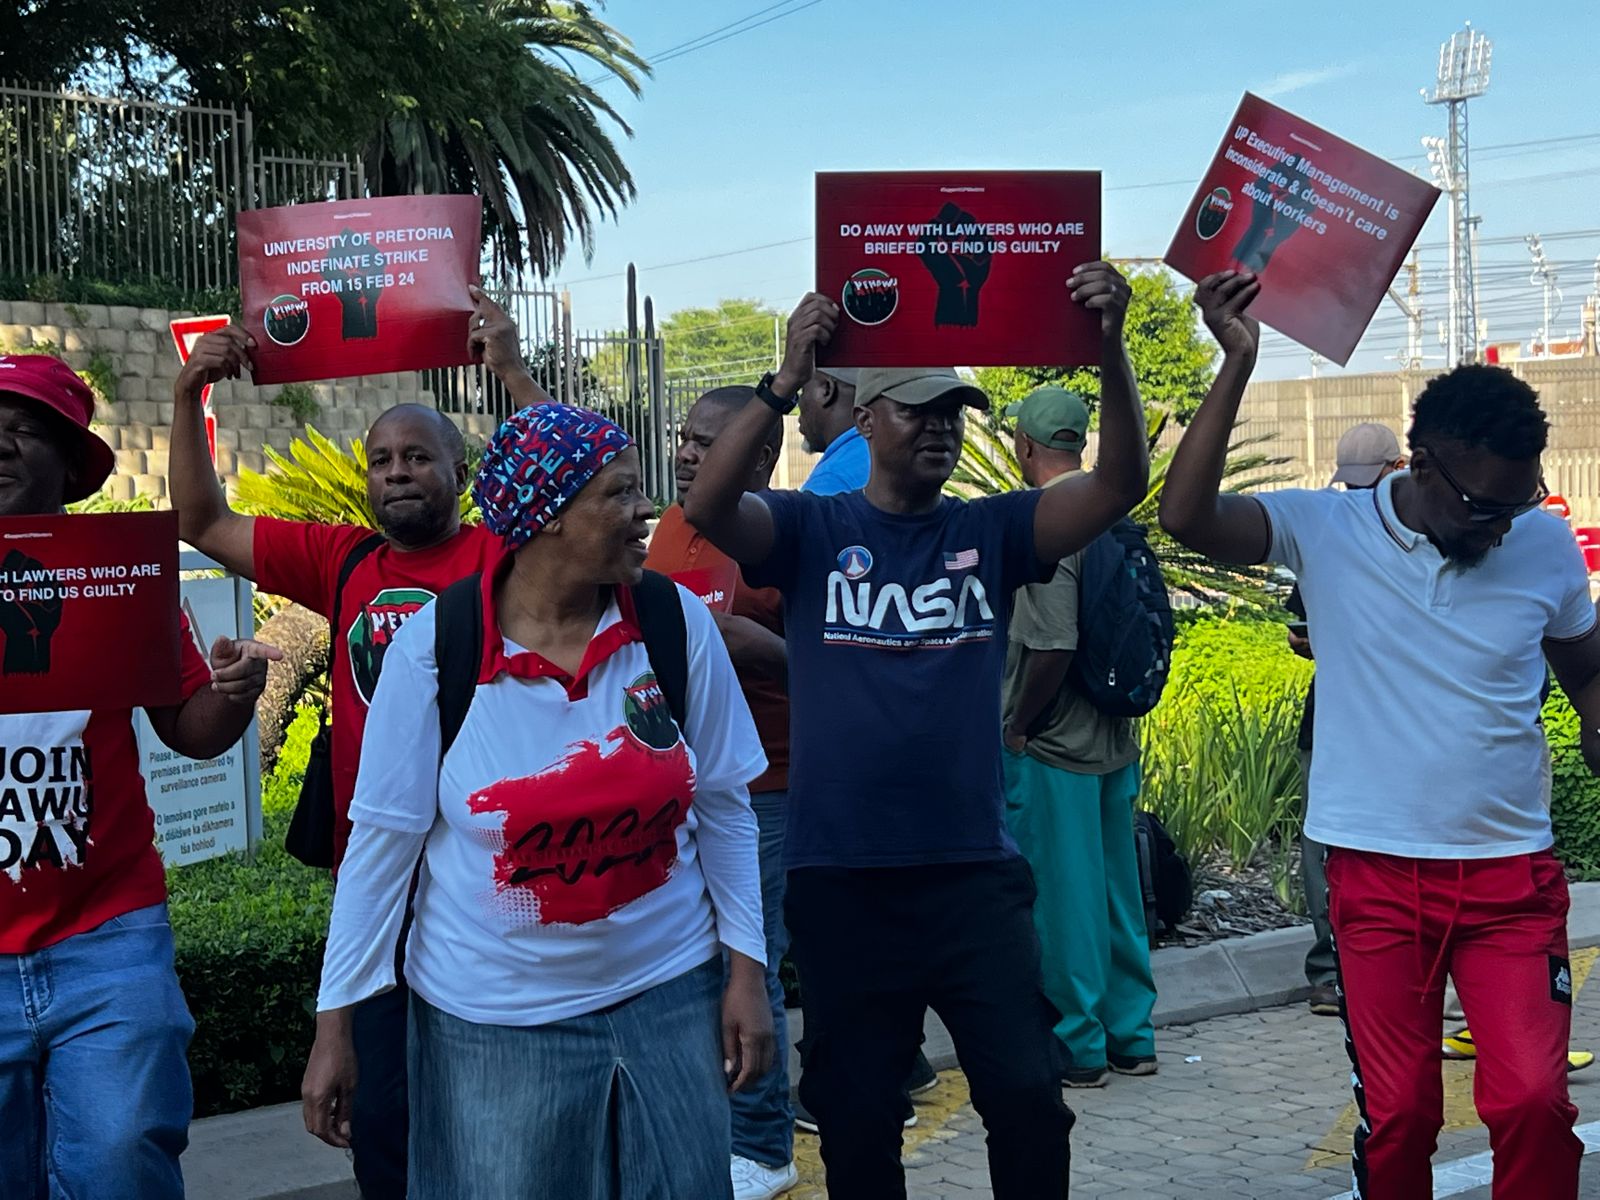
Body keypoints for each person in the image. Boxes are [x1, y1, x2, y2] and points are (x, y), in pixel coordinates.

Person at [683, 262, 1150, 1199]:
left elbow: (1120, 485)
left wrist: (1108, 348)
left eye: (954, 415)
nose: (941, 428)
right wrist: (782, 383)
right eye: (918, 412)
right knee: (857, 1121)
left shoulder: (995, 531)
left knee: (1026, 1096)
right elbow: (705, 508)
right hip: (844, 878)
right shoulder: (813, 528)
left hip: (971, 876)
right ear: (867, 421)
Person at [1159, 269, 1600, 1199]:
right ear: (1422, 462)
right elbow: (1186, 517)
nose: (1498, 529)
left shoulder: (1542, 544)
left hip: (1510, 881)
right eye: (1481, 507)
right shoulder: (1326, 528)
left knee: (1529, 1105)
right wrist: (1236, 360)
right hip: (1374, 876)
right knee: (1402, 1118)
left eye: (1517, 506)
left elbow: (1587, 668)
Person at [301, 402, 774, 1199]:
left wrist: (748, 975)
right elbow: (379, 855)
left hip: (670, 996)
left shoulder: (670, 623)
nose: (645, 512)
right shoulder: (435, 650)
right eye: (620, 494)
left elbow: (725, 810)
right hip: (493, 1025)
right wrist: (335, 1025)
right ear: (549, 517)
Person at [168, 288, 536, 1199]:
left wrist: (514, 373)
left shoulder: (506, 558)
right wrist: (187, 397)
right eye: (380, 461)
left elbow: (572, 494)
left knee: (501, 1107)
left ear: (462, 469)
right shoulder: (344, 562)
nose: (397, 473)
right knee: (386, 1120)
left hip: (493, 878)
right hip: (380, 881)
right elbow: (203, 524)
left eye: (419, 457)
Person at [0, 353, 275, 1200]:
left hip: (108, 936)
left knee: (121, 1164)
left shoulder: (118, 575)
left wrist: (232, 695)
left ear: (69, 466)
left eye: (25, 430)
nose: (2, 445)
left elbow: (191, 732)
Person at [644, 386, 797, 1200]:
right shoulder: (666, 530)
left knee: (751, 954)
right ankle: (720, 1118)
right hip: (677, 785)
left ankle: (765, 1146)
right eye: (685, 438)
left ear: (759, 457)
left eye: (708, 442)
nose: (687, 454)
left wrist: (752, 645)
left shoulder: (781, 536)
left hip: (767, 784)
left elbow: (836, 666)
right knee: (701, 958)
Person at [1000, 384, 1158, 1089]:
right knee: (1119, 893)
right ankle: (1134, 1034)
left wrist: (1018, 722)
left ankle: (1081, 1045)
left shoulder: (1048, 518)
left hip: (1055, 745)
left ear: (1027, 445)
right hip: (1114, 735)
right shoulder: (1111, 512)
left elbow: (1052, 644)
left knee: (1065, 900)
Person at [1284, 422, 1406, 1017]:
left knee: (1323, 843)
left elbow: (1299, 636)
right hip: (1385, 722)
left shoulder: (1327, 534)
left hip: (1334, 715)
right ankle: (1352, 971)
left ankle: (1333, 974)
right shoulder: (1420, 537)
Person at [796, 366, 866, 494]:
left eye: (803, 391)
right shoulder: (885, 452)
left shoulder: (831, 482)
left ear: (826, 390)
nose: (798, 402)